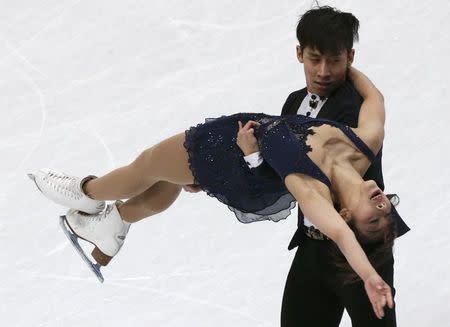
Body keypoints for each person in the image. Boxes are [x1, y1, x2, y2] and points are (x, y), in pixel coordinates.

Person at [30, 64, 395, 319]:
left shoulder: (312, 190)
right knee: (167, 179)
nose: (382, 205)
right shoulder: (365, 145)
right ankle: (114, 226)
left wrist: (370, 276)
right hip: (248, 151)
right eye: (386, 210)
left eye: (372, 218)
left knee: (147, 166)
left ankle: (86, 192)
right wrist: (346, 63)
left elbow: (340, 236)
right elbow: (375, 98)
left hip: (227, 149)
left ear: (346, 215)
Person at [232, 7, 410, 326]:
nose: (324, 71)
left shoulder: (352, 109)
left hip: (362, 245)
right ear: (299, 54)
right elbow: (284, 178)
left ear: (350, 57)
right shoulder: (292, 103)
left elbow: (303, 172)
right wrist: (252, 158)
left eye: (335, 60)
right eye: (316, 59)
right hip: (313, 247)